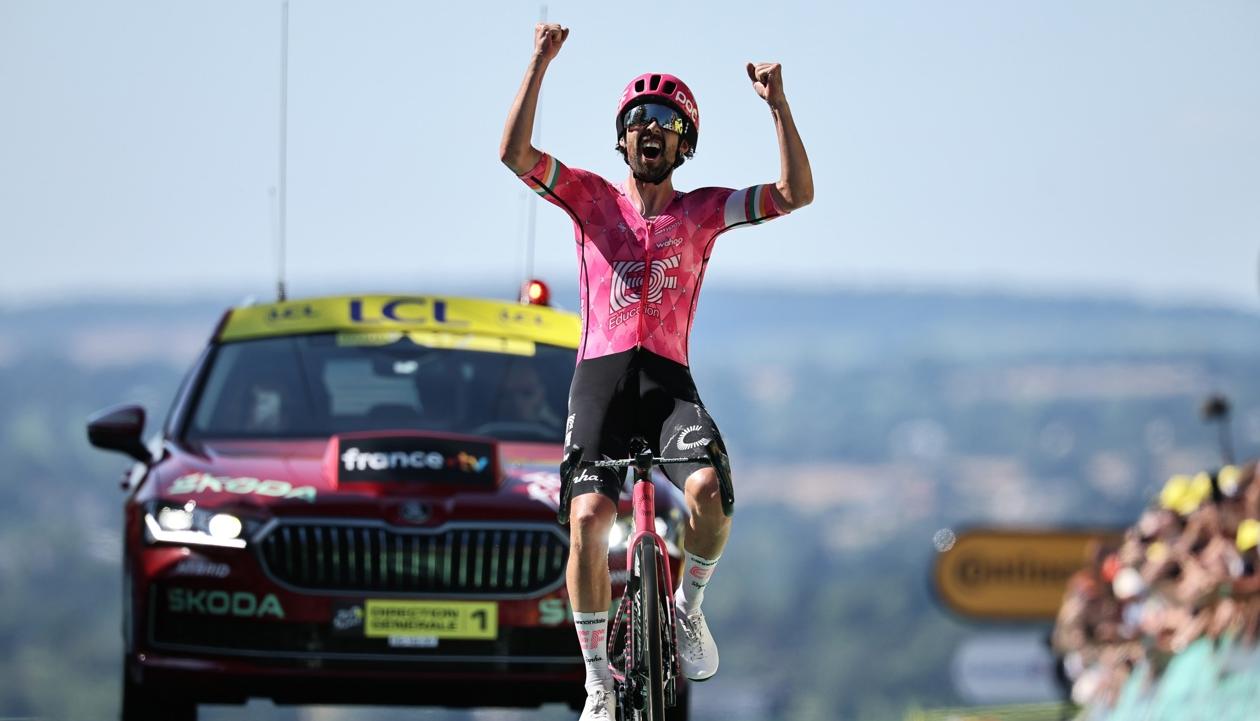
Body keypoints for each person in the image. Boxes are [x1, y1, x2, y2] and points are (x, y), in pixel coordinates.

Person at [500, 22, 813, 721]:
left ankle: (687, 607)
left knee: (708, 492)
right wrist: (539, 62)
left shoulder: (701, 212)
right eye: (638, 119)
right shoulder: (588, 198)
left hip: (668, 382)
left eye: (667, 123)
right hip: (603, 380)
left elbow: (795, 194)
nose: (650, 129)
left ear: (684, 144)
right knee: (587, 518)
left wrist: (778, 104)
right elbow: (515, 153)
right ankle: (597, 681)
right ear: (622, 138)